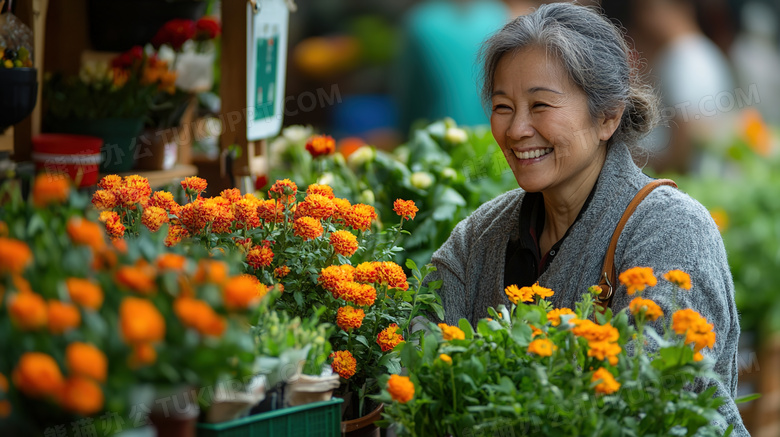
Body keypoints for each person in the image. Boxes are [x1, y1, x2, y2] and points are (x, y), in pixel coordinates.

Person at [426, 3, 746, 434]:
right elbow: (419, 349)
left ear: (608, 116)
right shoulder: (480, 236)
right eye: (503, 106)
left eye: (540, 105)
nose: (517, 128)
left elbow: (646, 403)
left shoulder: (671, 230)